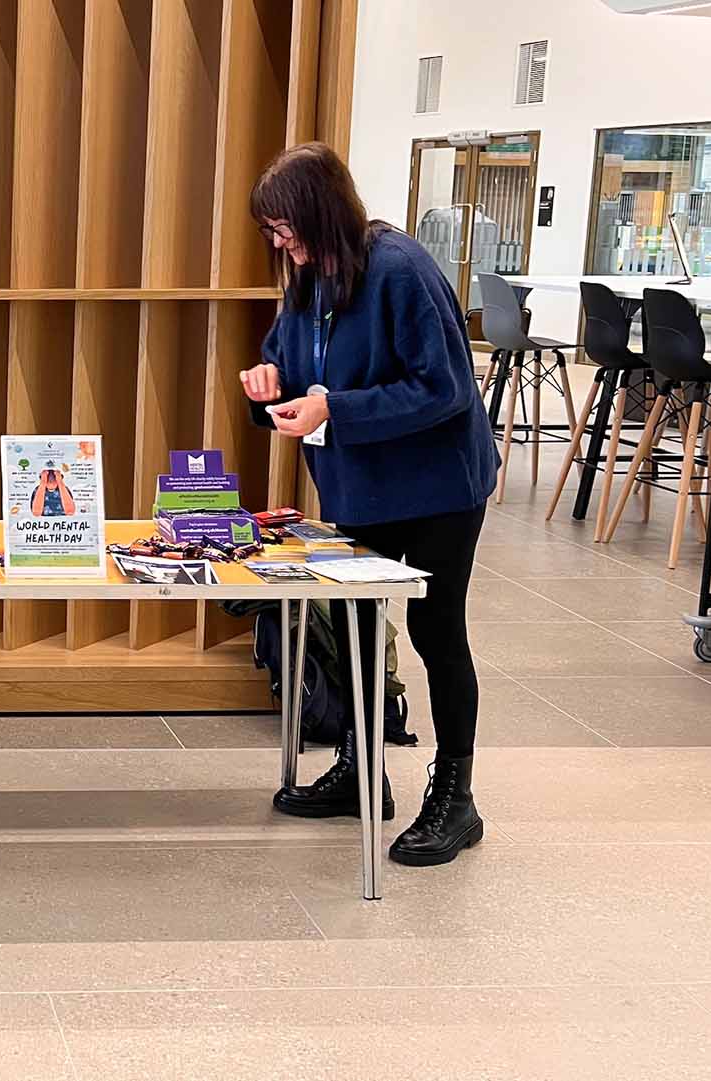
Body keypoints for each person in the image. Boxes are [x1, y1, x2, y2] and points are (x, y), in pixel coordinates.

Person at [240, 142, 498, 867]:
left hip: (438, 486)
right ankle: (360, 767)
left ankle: (455, 796)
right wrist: (268, 384)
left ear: (321, 212)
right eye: (270, 231)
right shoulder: (307, 278)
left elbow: (444, 388)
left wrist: (335, 409)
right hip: (359, 483)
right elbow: (290, 365)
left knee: (435, 630)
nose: (278, 243)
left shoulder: (400, 269)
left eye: (284, 227)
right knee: (355, 628)